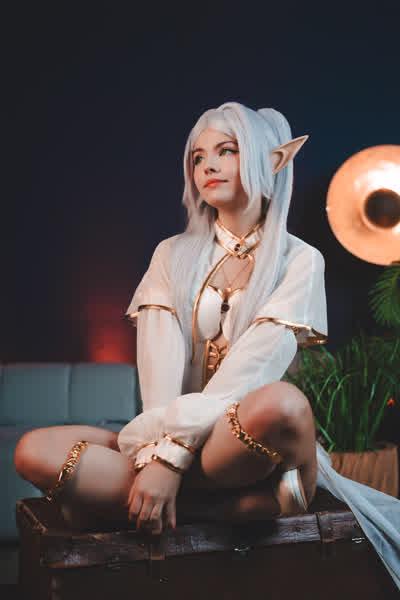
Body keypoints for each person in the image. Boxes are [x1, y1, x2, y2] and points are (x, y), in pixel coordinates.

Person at [14, 102, 400, 588]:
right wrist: (158, 456)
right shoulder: (172, 254)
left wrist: (172, 457)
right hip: (173, 439)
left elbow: (253, 369)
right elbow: (158, 374)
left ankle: (124, 500)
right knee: (33, 451)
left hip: (235, 446)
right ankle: (238, 509)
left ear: (272, 162)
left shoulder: (301, 260)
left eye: (226, 151)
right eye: (198, 157)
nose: (208, 166)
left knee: (282, 404)